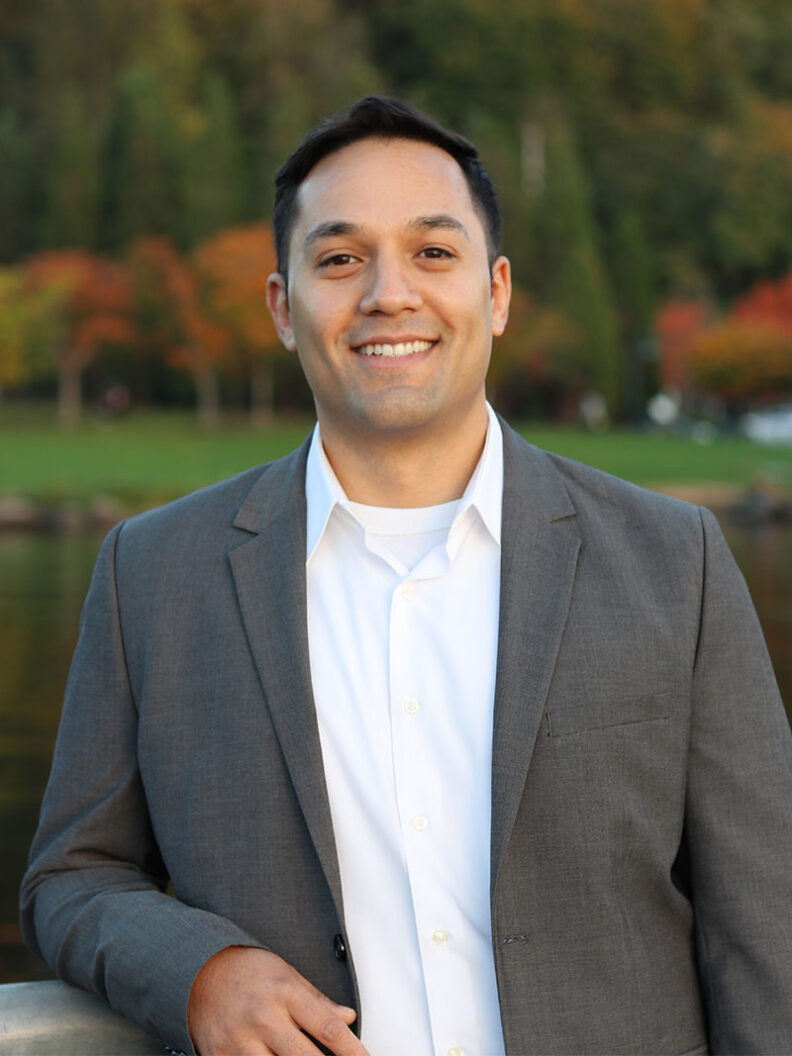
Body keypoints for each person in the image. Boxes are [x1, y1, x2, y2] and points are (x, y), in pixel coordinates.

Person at [21, 96, 792, 1056]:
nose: (389, 294)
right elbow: (72, 877)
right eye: (341, 259)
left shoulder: (677, 563)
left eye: (433, 251)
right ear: (283, 308)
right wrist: (198, 971)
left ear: (496, 293)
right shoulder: (150, 576)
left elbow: (768, 928)